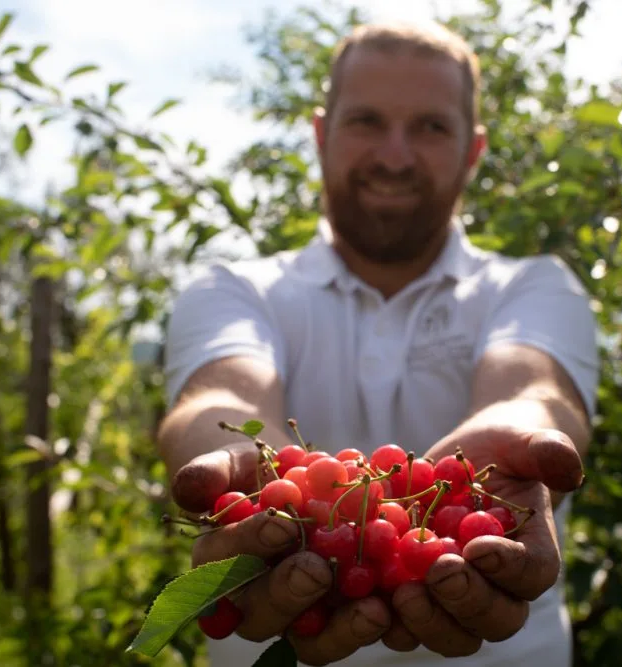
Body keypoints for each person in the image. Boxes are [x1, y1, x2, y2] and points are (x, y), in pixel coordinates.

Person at [157, 20, 599, 667]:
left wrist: (519, 439)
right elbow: (219, 394)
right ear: (320, 135)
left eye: (430, 127)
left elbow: (532, 389)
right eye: (367, 121)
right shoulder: (232, 289)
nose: (395, 155)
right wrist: (233, 458)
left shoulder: (533, 287)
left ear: (473, 152)